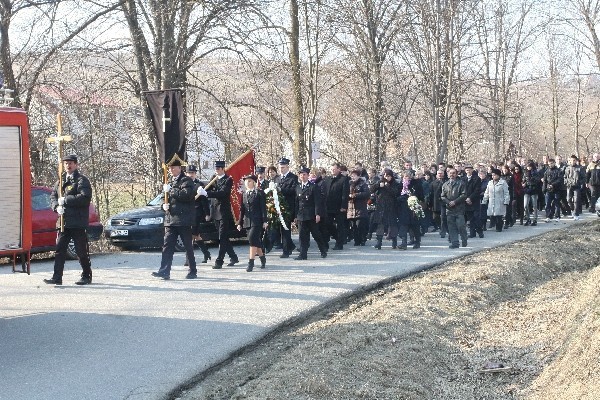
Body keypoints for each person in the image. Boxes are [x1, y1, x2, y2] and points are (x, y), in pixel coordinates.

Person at [44, 154, 93, 285]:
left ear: (76, 165)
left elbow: (85, 198)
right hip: (64, 223)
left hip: (77, 222)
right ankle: (57, 277)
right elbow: (53, 196)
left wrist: (66, 200)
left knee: (81, 251)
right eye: (66, 163)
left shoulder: (82, 180)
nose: (68, 165)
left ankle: (86, 275)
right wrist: (56, 207)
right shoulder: (60, 181)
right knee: (60, 250)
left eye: (71, 163)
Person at [151, 160, 197, 280]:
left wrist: (171, 190)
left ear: (179, 168)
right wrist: (163, 205)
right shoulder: (169, 181)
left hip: (183, 219)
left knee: (187, 246)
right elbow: (163, 198)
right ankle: (164, 271)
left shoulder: (186, 180)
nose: (171, 170)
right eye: (170, 168)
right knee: (167, 246)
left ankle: (193, 270)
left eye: (173, 168)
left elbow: (186, 195)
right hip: (170, 219)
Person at [206, 160, 239, 268]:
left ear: (223, 169)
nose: (217, 171)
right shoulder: (213, 178)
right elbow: (208, 188)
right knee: (223, 237)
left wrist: (208, 193)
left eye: (219, 169)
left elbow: (223, 193)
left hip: (223, 212)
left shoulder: (228, 180)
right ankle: (233, 257)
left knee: (222, 237)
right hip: (215, 212)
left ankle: (219, 261)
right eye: (215, 169)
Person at [294, 166, 328, 260]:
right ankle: (303, 254)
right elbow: (296, 202)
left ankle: (323, 250)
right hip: (301, 215)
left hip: (311, 215)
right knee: (302, 236)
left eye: (304, 174)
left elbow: (317, 202)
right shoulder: (297, 188)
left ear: (308, 176)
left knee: (316, 234)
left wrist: (318, 214)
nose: (303, 176)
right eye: (301, 175)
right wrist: (295, 216)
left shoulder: (313, 187)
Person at [237, 175, 268, 271]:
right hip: (247, 221)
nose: (247, 183)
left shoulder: (259, 193)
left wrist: (265, 221)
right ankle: (262, 258)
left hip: (257, 221)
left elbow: (263, 208)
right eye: (246, 181)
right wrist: (239, 223)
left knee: (251, 239)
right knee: (255, 241)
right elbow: (242, 210)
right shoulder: (244, 194)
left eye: (249, 181)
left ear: (254, 182)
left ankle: (251, 262)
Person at [185, 165, 211, 264]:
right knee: (196, 235)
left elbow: (204, 200)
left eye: (193, 173)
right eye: (189, 173)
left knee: (191, 235)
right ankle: (206, 253)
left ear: (195, 174)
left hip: (197, 213)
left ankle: (188, 259)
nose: (191, 175)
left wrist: (207, 213)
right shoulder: (184, 183)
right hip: (187, 213)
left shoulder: (199, 184)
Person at [370, 168, 400, 249]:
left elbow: (395, 193)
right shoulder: (380, 182)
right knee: (380, 225)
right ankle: (379, 242)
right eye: (386, 176)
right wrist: (377, 185)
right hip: (381, 207)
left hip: (391, 207)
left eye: (389, 176)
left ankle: (394, 241)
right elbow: (371, 189)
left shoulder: (395, 183)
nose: (387, 178)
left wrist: (387, 186)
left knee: (392, 225)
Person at [323, 162, 349, 250]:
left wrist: (344, 206)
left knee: (340, 225)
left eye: (334, 169)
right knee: (327, 224)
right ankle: (337, 237)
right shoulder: (327, 179)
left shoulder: (343, 179)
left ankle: (339, 244)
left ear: (339, 169)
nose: (332, 171)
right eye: (331, 169)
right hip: (328, 206)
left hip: (339, 206)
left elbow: (345, 194)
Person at [441, 168, 468, 249]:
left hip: (459, 208)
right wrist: (448, 202)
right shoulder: (445, 184)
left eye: (453, 173)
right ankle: (455, 243)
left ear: (456, 174)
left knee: (461, 226)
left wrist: (455, 202)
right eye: (450, 173)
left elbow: (464, 195)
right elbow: (442, 196)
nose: (452, 175)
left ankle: (464, 238)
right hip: (449, 209)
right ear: (448, 174)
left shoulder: (461, 183)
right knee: (451, 227)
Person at [276, 157, 298, 258]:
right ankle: (290, 246)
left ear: (287, 167)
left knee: (286, 228)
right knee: (282, 229)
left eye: (283, 167)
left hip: (288, 208)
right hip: (277, 207)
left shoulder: (293, 178)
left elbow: (293, 191)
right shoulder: (277, 178)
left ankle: (286, 251)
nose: (281, 169)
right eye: (280, 167)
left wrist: (281, 190)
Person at [397, 170, 424, 250]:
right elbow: (397, 195)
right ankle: (404, 243)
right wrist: (401, 198)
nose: (407, 178)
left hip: (413, 208)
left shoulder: (416, 184)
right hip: (403, 208)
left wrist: (412, 197)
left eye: (408, 176)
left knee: (415, 226)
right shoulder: (400, 185)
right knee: (404, 225)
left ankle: (417, 241)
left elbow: (421, 196)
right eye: (405, 176)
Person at [347, 169, 370, 246]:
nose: (353, 177)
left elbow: (367, 193)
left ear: (358, 176)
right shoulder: (349, 184)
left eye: (354, 176)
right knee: (353, 226)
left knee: (360, 225)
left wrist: (356, 195)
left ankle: (362, 239)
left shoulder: (363, 184)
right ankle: (356, 240)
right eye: (352, 176)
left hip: (360, 208)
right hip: (351, 207)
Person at [463, 164, 483, 238]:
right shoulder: (463, 179)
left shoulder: (476, 179)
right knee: (471, 219)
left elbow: (477, 190)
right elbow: (462, 190)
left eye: (469, 169)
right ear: (465, 171)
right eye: (467, 170)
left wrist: (470, 198)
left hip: (474, 201)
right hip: (466, 202)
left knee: (476, 218)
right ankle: (472, 233)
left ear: (472, 170)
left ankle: (480, 231)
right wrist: (466, 198)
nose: (468, 171)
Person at [564, 155, 585, 220]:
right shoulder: (567, 168)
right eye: (571, 160)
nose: (572, 162)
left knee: (576, 200)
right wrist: (566, 182)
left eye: (574, 160)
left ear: (576, 161)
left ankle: (576, 214)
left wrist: (579, 183)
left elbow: (584, 178)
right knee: (568, 199)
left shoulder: (579, 168)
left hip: (577, 186)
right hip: (569, 186)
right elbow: (565, 177)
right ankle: (573, 210)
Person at [429, 169, 448, 237]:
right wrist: (430, 204)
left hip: (444, 202)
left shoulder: (446, 182)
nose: (440, 174)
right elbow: (430, 194)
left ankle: (443, 231)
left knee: (443, 217)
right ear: (436, 175)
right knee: (436, 217)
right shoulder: (433, 183)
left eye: (441, 173)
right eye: (439, 173)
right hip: (435, 203)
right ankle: (441, 227)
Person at [522, 161, 541, 226]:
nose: (528, 168)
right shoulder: (525, 173)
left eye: (530, 166)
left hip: (534, 190)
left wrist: (529, 181)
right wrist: (523, 183)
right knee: (525, 205)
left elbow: (537, 181)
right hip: (527, 190)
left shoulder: (536, 173)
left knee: (534, 206)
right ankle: (528, 218)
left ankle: (535, 219)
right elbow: (523, 180)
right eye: (527, 166)